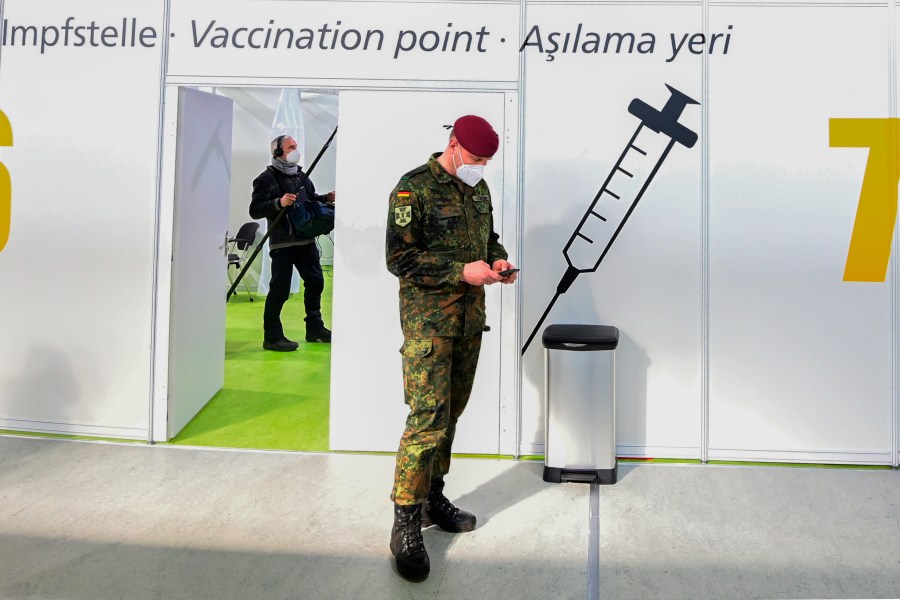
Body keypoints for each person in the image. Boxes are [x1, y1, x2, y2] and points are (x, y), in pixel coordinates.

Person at [384, 115, 518, 581]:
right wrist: (461, 272)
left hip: (467, 323)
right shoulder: (412, 189)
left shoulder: (478, 190)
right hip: (429, 326)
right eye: (476, 158)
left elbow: (486, 239)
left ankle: (432, 498)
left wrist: (496, 259)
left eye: (486, 162)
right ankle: (404, 521)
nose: (480, 167)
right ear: (454, 144)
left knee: (451, 415)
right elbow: (399, 259)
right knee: (426, 420)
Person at [250, 135, 335, 351]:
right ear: (278, 152)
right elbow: (255, 209)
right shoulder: (266, 179)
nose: (296, 150)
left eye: (296, 146)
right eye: (291, 147)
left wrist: (326, 198)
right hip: (282, 243)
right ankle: (272, 335)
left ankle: (315, 328)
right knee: (280, 289)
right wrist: (279, 202)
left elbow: (310, 197)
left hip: (305, 239)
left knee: (316, 282)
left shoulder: (301, 176)